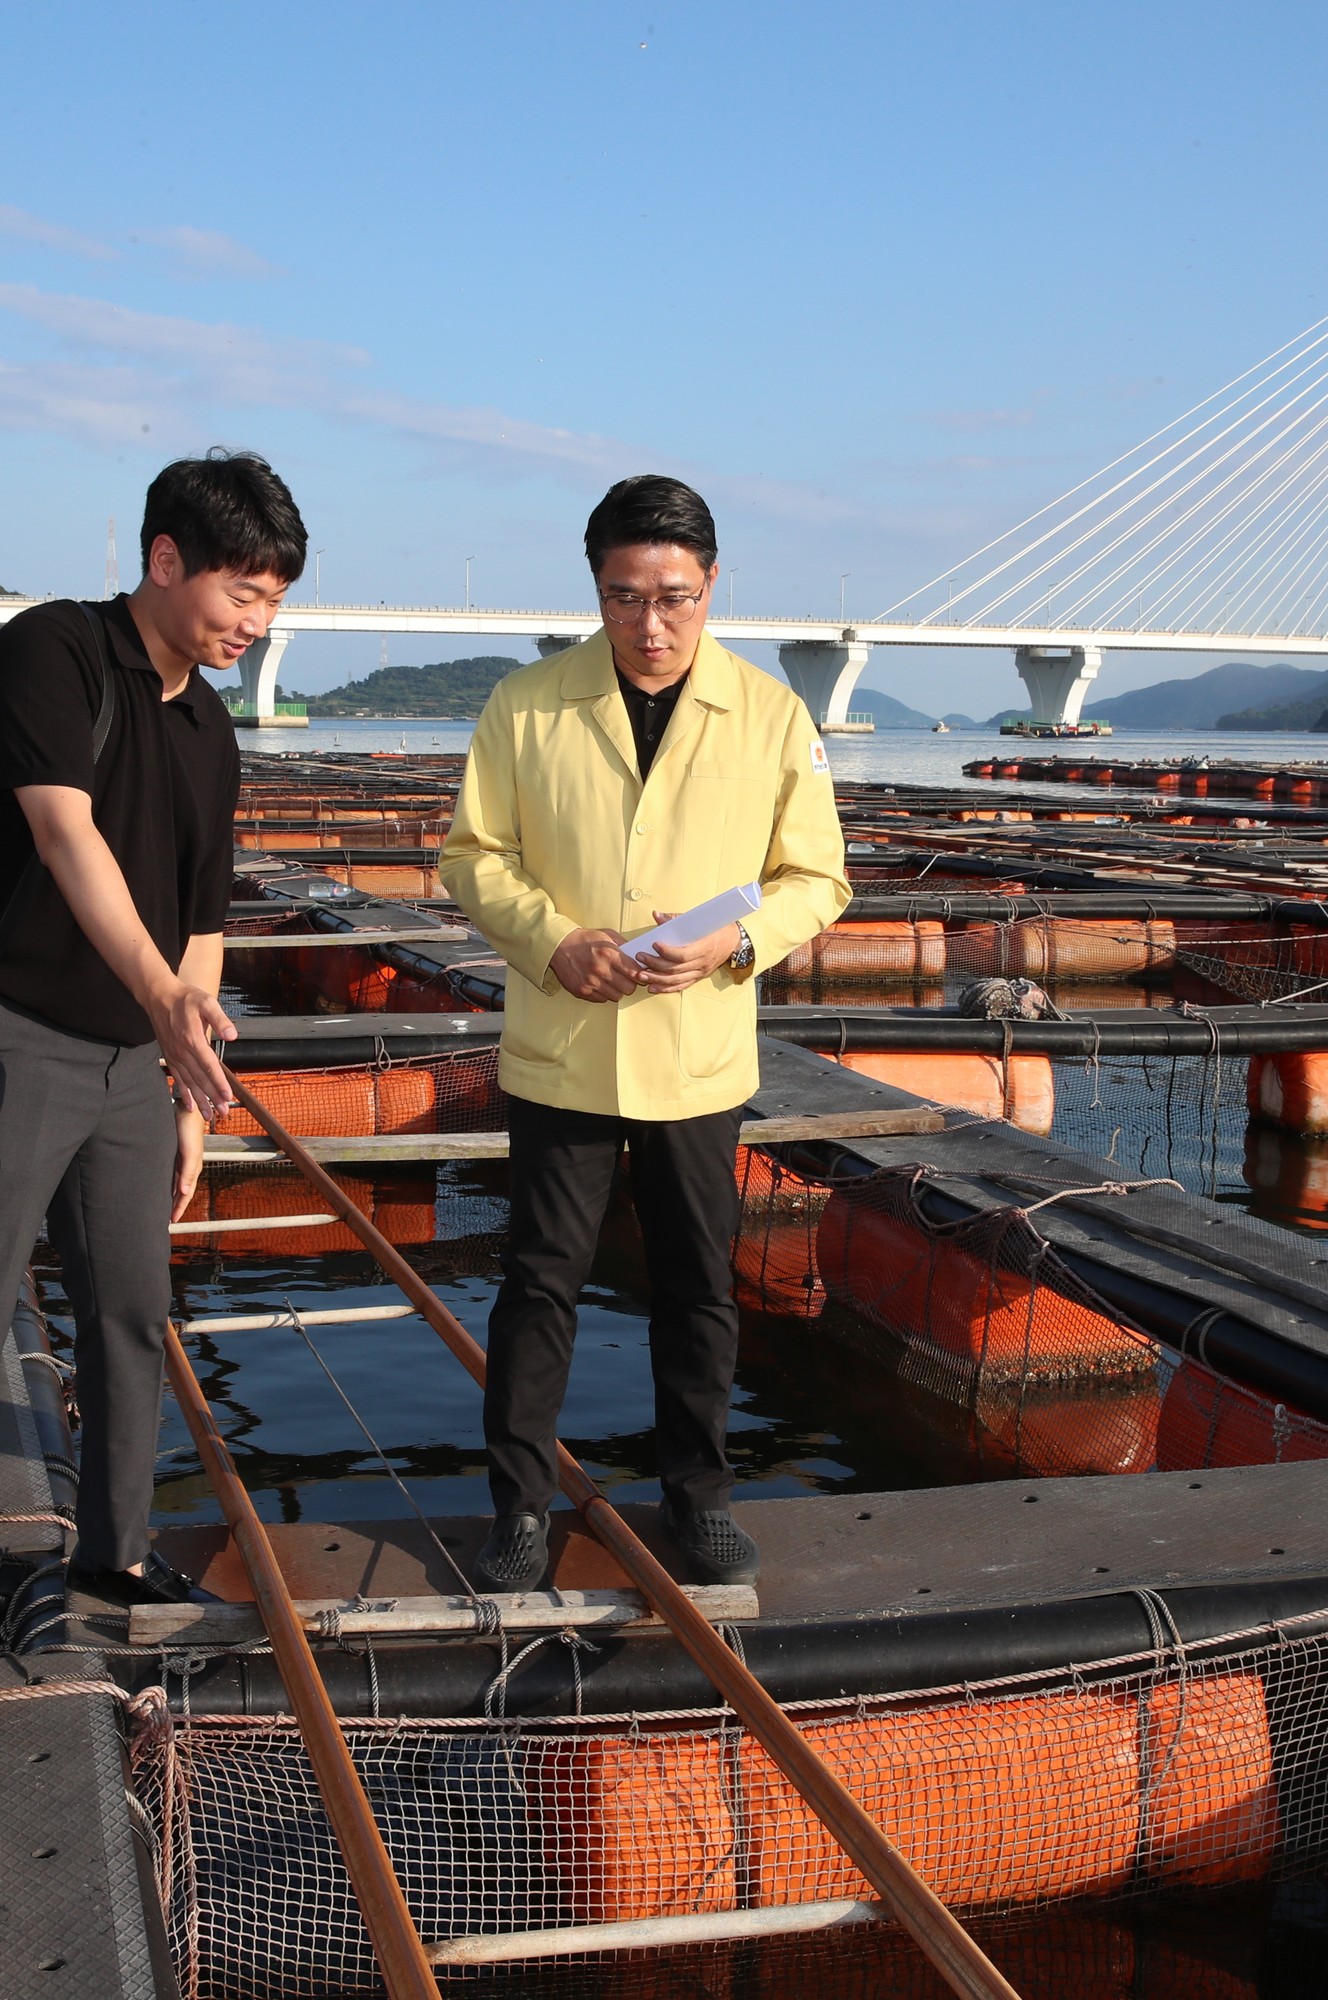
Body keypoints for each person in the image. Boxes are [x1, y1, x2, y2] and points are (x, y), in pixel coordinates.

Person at [0, 451, 304, 1750]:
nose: (254, 624)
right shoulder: (50, 655)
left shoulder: (210, 731)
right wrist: (166, 1001)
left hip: (126, 1069)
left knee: (127, 1314)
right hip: (4, 1044)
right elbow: (66, 836)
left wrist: (186, 1077)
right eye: (243, 591)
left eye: (273, 602)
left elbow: (202, 916)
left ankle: (111, 1556)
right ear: (167, 560)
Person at [443, 475, 850, 1593]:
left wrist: (737, 945)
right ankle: (519, 1507)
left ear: (713, 583)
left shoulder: (771, 715)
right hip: (564, 1043)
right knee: (538, 1283)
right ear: (597, 587)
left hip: (698, 1049)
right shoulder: (526, 704)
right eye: (625, 597)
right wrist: (553, 938)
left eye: (675, 596)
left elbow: (819, 876)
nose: (651, 623)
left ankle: (700, 1495)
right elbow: (474, 854)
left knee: (699, 1285)